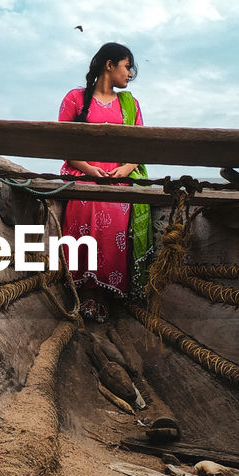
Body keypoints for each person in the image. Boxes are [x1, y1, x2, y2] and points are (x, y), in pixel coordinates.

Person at [57, 42, 152, 321]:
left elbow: (140, 147)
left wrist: (125, 170)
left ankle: (104, 293)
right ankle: (85, 290)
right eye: (126, 66)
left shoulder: (130, 104)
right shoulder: (75, 98)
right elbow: (63, 143)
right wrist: (88, 169)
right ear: (109, 65)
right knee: (87, 204)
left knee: (114, 209)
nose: (130, 74)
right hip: (82, 174)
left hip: (118, 178)